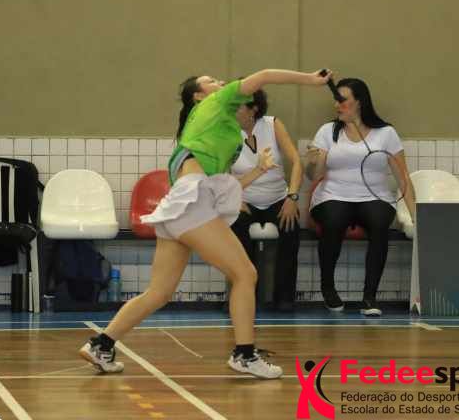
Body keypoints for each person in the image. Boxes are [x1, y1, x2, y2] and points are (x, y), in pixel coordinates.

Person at [79, 68, 332, 378]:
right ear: (199, 95)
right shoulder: (214, 103)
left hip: (179, 207)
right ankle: (245, 355)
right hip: (192, 204)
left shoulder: (213, 127)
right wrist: (312, 80)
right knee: (245, 274)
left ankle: (101, 344)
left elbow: (222, 184)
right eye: (210, 81)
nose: (219, 82)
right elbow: (264, 75)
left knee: (159, 292)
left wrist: (259, 170)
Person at [305, 78, 415, 316]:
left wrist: (416, 215)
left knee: (379, 222)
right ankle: (328, 288)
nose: (337, 105)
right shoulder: (327, 131)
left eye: (342, 100)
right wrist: (314, 162)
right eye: (336, 100)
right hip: (332, 195)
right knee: (334, 219)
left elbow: (403, 177)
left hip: (375, 196)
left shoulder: (386, 133)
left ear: (360, 102)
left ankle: (369, 297)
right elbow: (314, 176)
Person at [230, 89, 302, 311]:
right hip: (244, 198)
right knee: (236, 231)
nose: (232, 110)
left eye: (237, 106)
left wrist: (292, 197)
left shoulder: (272, 124)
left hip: (277, 196)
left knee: (290, 228)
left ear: (253, 109)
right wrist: (233, 198)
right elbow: (220, 172)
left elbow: (296, 162)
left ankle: (285, 298)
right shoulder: (226, 131)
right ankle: (242, 296)